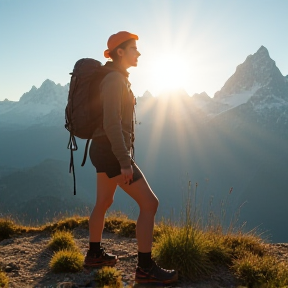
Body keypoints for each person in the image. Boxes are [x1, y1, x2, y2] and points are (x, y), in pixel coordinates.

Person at [84, 31, 178, 284]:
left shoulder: (115, 78)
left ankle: (94, 254)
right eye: (134, 48)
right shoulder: (115, 80)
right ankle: (145, 268)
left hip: (102, 149)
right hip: (112, 152)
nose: (139, 52)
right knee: (150, 204)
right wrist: (125, 161)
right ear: (120, 52)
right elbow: (111, 123)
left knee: (103, 201)